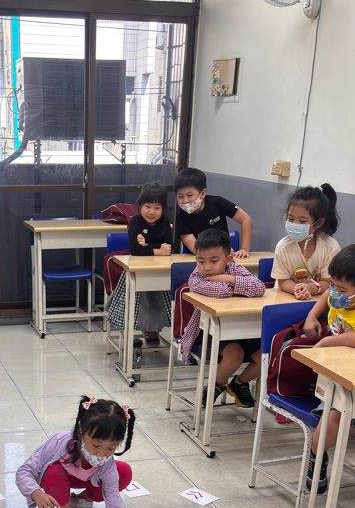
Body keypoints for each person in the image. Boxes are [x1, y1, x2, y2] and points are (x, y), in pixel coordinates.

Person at [15, 396, 143, 508]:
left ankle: (82, 501)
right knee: (53, 472)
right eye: (96, 445)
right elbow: (24, 471)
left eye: (110, 448)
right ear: (80, 432)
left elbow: (115, 503)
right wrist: (36, 493)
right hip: (58, 479)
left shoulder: (106, 464)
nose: (101, 453)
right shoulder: (60, 442)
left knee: (123, 472)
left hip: (87, 482)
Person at [301, 246, 355, 493]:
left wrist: (327, 341)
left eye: (342, 290)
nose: (335, 292)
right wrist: (312, 316)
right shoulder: (336, 295)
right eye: (333, 284)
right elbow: (326, 295)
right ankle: (316, 456)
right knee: (334, 414)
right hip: (334, 376)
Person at [186, 228, 266, 408]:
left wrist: (227, 278)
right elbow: (220, 292)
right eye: (201, 261)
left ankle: (239, 383)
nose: (207, 267)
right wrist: (236, 284)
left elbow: (259, 287)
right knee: (235, 355)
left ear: (228, 259)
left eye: (214, 261)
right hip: (208, 330)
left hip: (241, 328)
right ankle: (217, 385)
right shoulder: (196, 277)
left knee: (265, 356)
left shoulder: (235, 269)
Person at [106, 182, 172, 349]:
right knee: (141, 297)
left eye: (157, 208)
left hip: (158, 269)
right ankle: (146, 328)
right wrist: (157, 250)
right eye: (147, 206)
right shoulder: (135, 221)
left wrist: (148, 246)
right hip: (136, 270)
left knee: (159, 297)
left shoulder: (165, 222)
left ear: (163, 209)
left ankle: (152, 326)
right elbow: (135, 250)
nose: (151, 212)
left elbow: (169, 248)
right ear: (140, 206)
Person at [272, 183, 340, 301]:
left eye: (302, 221)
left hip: (318, 301)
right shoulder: (282, 247)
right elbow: (283, 281)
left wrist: (311, 288)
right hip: (288, 299)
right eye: (291, 218)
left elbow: (328, 281)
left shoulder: (330, 247)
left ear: (318, 223)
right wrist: (298, 290)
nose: (294, 224)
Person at [174, 167, 252, 258]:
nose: (185, 201)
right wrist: (220, 251)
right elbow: (195, 249)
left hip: (225, 259)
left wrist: (244, 249)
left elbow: (246, 219)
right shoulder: (180, 218)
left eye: (190, 195)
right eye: (180, 196)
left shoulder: (217, 202)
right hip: (199, 261)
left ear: (203, 193)